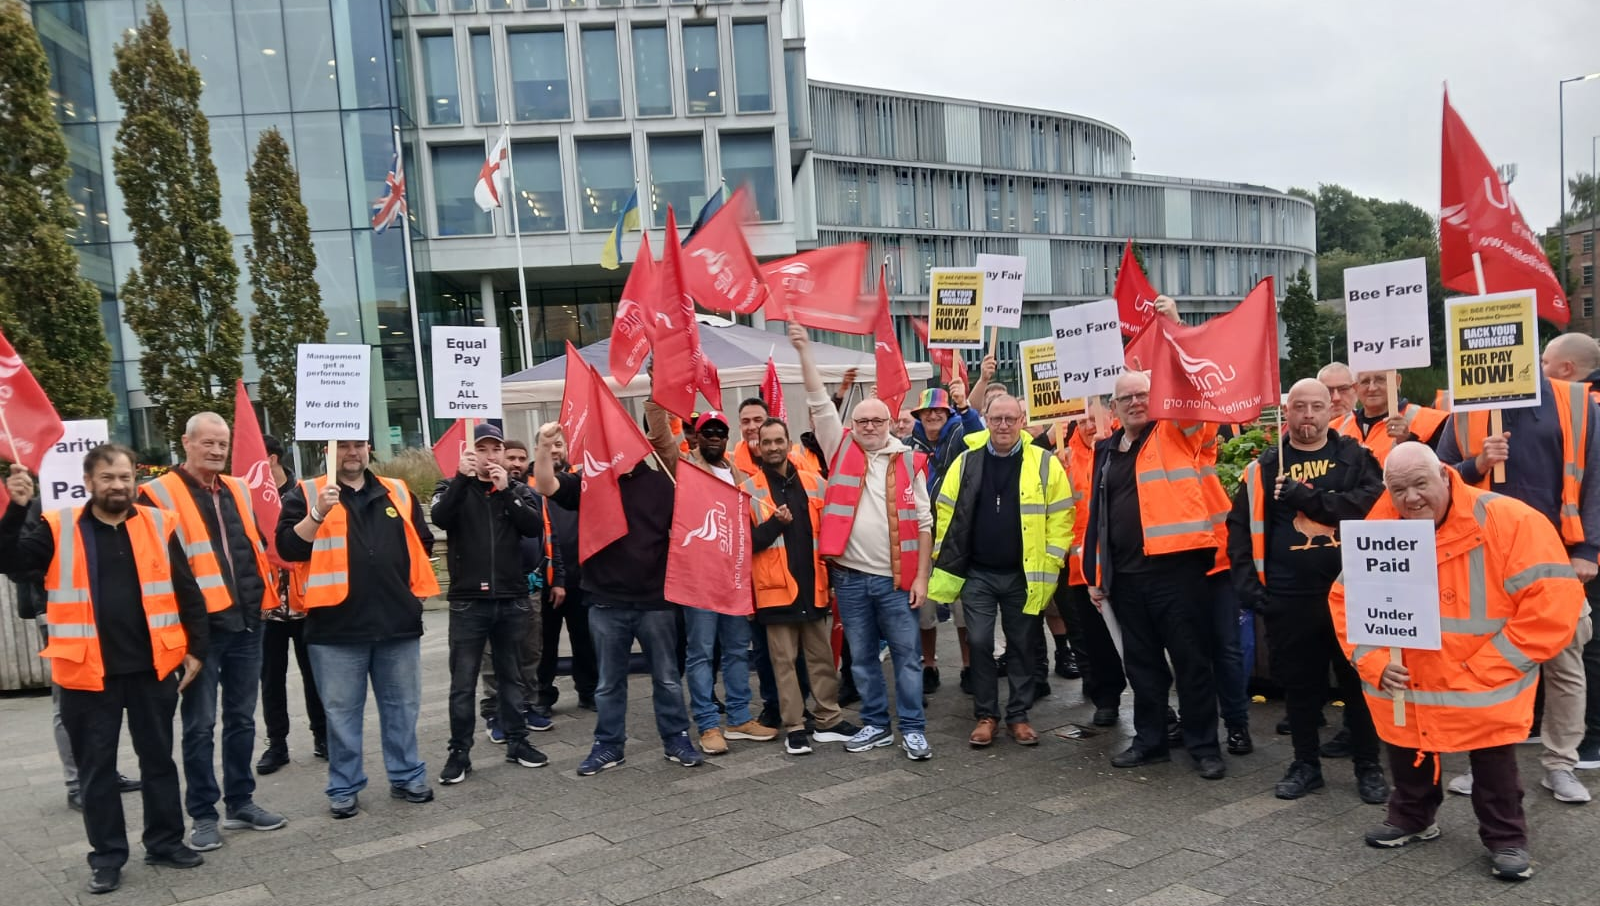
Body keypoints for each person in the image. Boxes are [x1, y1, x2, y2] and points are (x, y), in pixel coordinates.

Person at [1331, 443, 1585, 882]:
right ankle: (1412, 817)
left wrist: (1488, 668)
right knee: (1407, 745)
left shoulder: (1512, 521)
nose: (1410, 498)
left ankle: (1506, 839)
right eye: (1398, 489)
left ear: (1445, 476)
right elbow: (1346, 599)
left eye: (1420, 484)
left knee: (1493, 765)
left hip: (1485, 680)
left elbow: (1553, 605)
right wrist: (1371, 661)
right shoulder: (1382, 523)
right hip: (1409, 678)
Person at [0, 446, 210, 895]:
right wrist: (15, 510)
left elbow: (185, 588)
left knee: (158, 761)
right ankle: (108, 858)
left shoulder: (157, 522)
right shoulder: (58, 528)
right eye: (108, 478)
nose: (119, 485)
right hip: (86, 672)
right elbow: (12, 564)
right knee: (97, 771)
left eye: (125, 477)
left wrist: (196, 648)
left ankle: (166, 842)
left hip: (152, 667)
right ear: (88, 481)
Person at [1436, 344, 1600, 804]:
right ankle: (1483, 761)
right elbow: (1441, 477)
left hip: (1556, 557)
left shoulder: (1574, 399)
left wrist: (1588, 547)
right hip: (1486, 559)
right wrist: (1477, 465)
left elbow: (1596, 476)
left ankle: (1560, 764)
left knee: (1566, 662)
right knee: (1486, 661)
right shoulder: (1466, 408)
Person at [1227, 379, 1388, 803]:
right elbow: (1239, 531)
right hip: (1288, 598)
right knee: (1300, 688)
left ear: (1330, 410)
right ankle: (1305, 765)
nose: (1309, 416)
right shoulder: (1264, 466)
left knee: (1358, 683)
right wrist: (1252, 591)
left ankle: (1368, 767)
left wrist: (1308, 498)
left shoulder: (1354, 458)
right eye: (1300, 407)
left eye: (1317, 406)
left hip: (1352, 596)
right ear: (1288, 412)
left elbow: (1369, 505)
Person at [533, 387, 704, 776]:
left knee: (667, 679)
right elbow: (545, 485)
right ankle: (609, 746)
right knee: (609, 684)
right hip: (606, 601)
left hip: (656, 600)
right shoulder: (593, 480)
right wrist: (544, 446)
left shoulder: (664, 481)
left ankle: (676, 738)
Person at [137, 412, 285, 851]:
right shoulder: (155, 493)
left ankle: (241, 801)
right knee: (199, 725)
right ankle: (203, 814)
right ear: (186, 442)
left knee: (241, 719)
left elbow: (252, 547)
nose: (217, 450)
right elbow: (154, 566)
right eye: (208, 443)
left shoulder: (238, 488)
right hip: (197, 635)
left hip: (246, 624)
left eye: (222, 443)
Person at [794, 320, 935, 759]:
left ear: (891, 423)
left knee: (908, 658)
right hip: (851, 580)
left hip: (897, 582)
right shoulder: (839, 450)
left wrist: (922, 580)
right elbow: (819, 403)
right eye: (862, 420)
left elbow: (925, 524)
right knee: (862, 660)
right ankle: (876, 724)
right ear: (850, 425)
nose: (870, 425)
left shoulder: (910, 461)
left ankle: (911, 727)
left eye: (877, 419)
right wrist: (804, 352)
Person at [276, 439, 439, 819]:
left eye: (358, 445)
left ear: (369, 449)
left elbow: (422, 543)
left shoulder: (397, 491)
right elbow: (287, 549)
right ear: (327, 453)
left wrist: (410, 594)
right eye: (343, 447)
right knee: (341, 714)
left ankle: (406, 775)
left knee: (402, 708)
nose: (352, 453)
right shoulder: (306, 494)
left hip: (396, 623)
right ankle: (344, 786)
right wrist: (316, 514)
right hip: (335, 628)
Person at [1083, 370, 1227, 780]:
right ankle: (1150, 740)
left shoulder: (1176, 432)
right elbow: (1101, 516)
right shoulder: (1106, 450)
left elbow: (1197, 404)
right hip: (1126, 578)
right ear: (1113, 408)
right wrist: (1095, 572)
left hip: (1177, 572)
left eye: (1143, 394)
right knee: (1142, 666)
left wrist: (1174, 333)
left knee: (1192, 662)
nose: (1135, 402)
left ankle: (1204, 746)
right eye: (1125, 398)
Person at [929, 394, 1072, 746]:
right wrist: (943, 556)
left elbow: (1061, 517)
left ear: (1022, 420)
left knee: (1023, 644)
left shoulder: (1044, 463)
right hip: (977, 572)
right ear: (987, 420)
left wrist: (1051, 562)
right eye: (997, 419)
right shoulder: (966, 462)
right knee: (978, 642)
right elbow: (945, 513)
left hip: (1024, 573)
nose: (1004, 425)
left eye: (1010, 419)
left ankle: (1018, 716)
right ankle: (986, 714)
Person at [431, 424, 552, 785]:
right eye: (482, 450)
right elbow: (440, 518)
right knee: (463, 682)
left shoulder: (516, 490)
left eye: (495, 449)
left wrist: (504, 492)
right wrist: (460, 479)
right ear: (472, 454)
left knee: (512, 677)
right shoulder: (450, 488)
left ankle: (517, 741)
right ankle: (459, 752)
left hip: (511, 598)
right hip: (469, 602)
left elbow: (532, 528)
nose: (490, 456)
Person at [744, 417, 861, 755]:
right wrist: (773, 526)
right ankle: (794, 725)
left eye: (778, 440)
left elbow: (834, 531)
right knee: (783, 664)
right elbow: (744, 543)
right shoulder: (749, 490)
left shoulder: (815, 483)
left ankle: (829, 719)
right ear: (758, 447)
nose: (773, 447)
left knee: (822, 658)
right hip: (774, 592)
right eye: (766, 442)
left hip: (815, 587)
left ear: (788, 441)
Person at [678, 410, 777, 753]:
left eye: (721, 430)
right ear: (697, 436)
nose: (715, 436)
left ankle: (737, 718)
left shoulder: (738, 473)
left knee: (737, 650)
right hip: (699, 580)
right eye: (708, 431)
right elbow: (661, 439)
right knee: (701, 653)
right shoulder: (685, 466)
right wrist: (657, 386)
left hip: (732, 577)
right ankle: (707, 725)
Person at [1540, 333, 1600, 769]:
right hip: (1575, 547)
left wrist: (1589, 548)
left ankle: (1590, 738)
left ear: (1566, 369)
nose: (1539, 372)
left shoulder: (1585, 407)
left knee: (1583, 649)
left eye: (1545, 363)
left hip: (1584, 553)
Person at [475, 438, 559, 736]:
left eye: (521, 458)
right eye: (510, 457)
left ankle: (527, 705)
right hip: (489, 589)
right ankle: (495, 712)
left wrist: (555, 577)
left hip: (528, 586)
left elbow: (544, 533)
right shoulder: (476, 491)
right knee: (491, 655)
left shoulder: (529, 492)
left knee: (529, 650)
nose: (516, 463)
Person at [255, 435, 326, 775]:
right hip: (266, 605)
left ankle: (322, 736)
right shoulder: (248, 498)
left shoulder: (302, 493)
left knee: (315, 674)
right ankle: (277, 744)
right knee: (270, 678)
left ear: (272, 459)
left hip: (305, 601)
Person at [1056, 413, 1127, 726]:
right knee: (1095, 640)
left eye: (1095, 419)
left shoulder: (1121, 449)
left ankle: (1154, 701)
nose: (1089, 426)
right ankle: (1106, 699)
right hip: (1081, 567)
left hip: (1121, 561)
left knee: (1136, 637)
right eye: (1082, 420)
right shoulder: (1065, 459)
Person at [527, 425, 595, 714]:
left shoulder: (580, 481)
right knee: (545, 643)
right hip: (547, 578)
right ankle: (543, 693)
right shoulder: (530, 485)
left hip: (582, 576)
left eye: (560, 444)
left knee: (585, 640)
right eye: (550, 445)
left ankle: (589, 691)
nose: (555, 450)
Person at [1332, 371, 1447, 465]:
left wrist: (1408, 440)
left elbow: (1441, 472)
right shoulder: (1334, 428)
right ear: (1356, 387)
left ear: (1397, 381)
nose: (1372, 388)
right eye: (1365, 382)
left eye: (1380, 380)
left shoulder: (1431, 421)